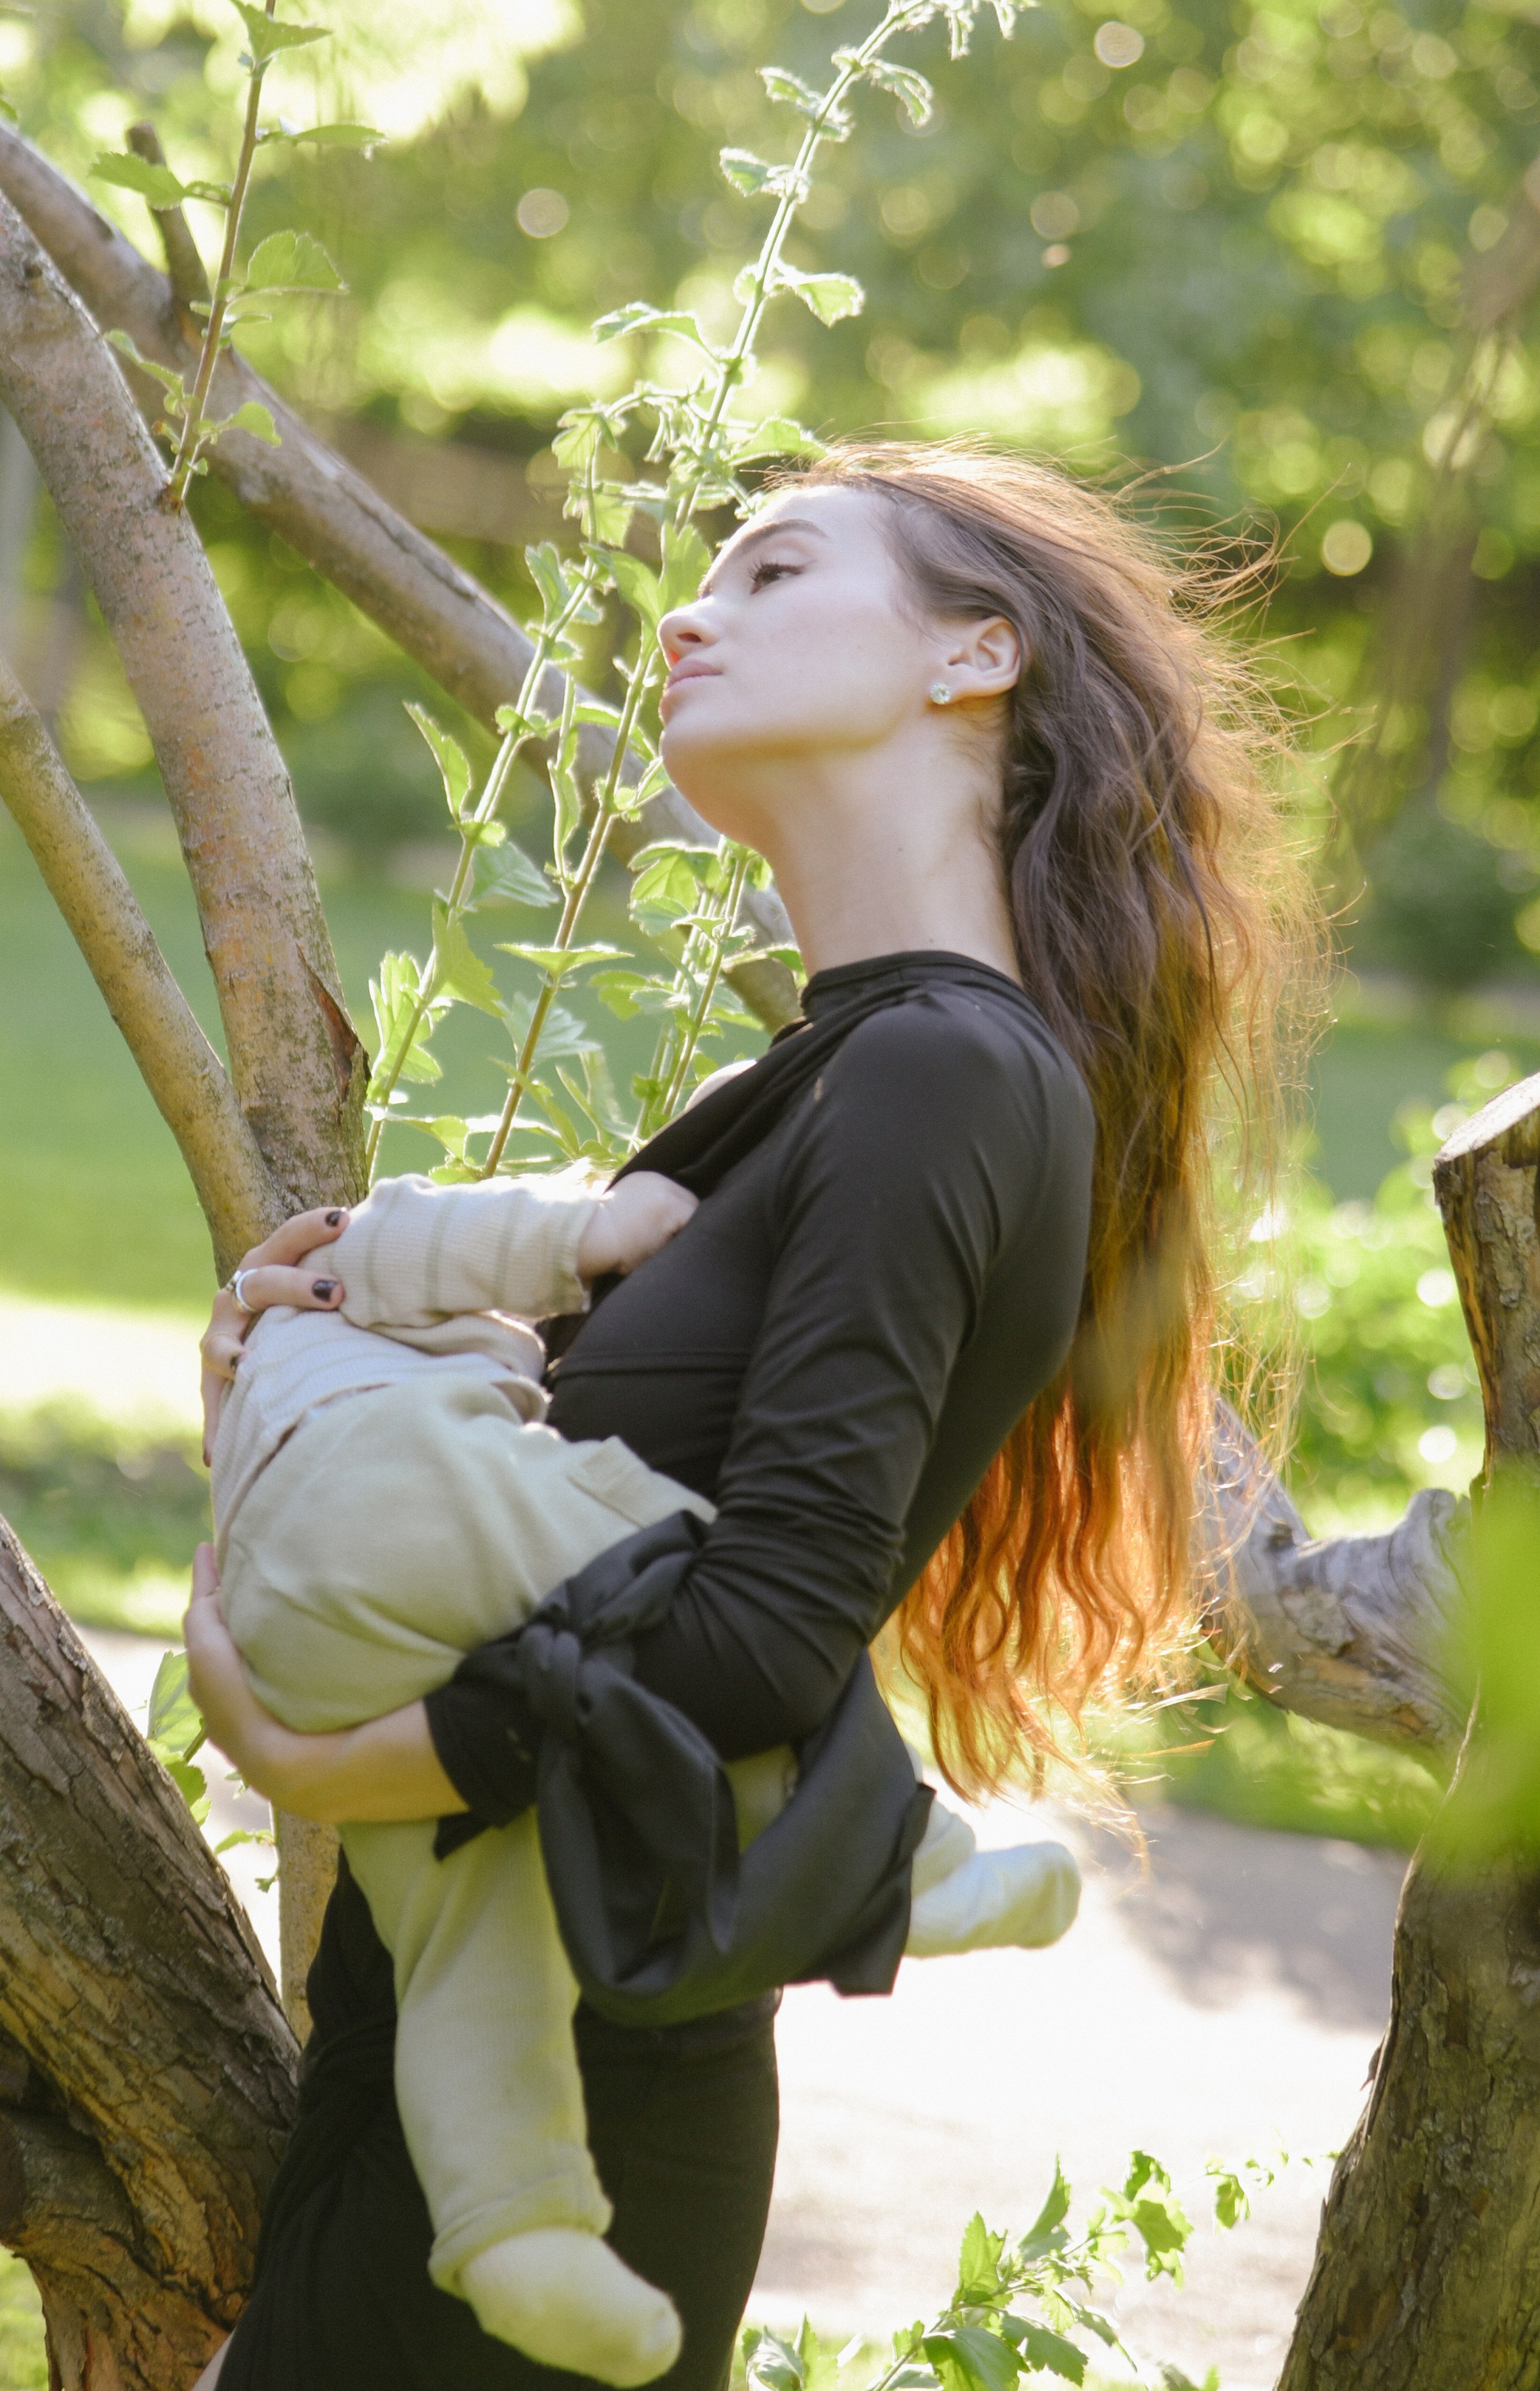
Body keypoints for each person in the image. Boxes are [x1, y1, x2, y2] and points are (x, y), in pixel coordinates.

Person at [180, 445, 1309, 2391]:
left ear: (978, 653)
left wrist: (345, 1747)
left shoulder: (948, 1073)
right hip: (485, 2056)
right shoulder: (848, 1064)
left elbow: (773, 1624)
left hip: (592, 2111)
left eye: (778, 572)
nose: (690, 613)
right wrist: (300, 1364)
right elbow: (604, 1503)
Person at [199, 1161, 1080, 2385]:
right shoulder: (378, 1302)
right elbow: (415, 1233)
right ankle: (896, 1863)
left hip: (310, 1629)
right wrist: (595, 1223)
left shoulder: (338, 1345)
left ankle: (513, 2222)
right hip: (376, 1488)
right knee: (702, 1585)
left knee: (466, 1943)